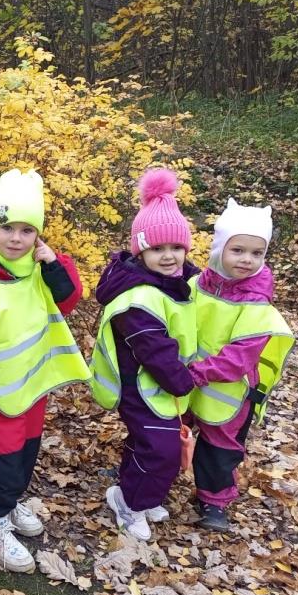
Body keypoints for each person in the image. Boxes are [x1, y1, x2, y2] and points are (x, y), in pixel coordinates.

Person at [0, 169, 89, 571]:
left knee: (25, 455)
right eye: (7, 227)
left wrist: (55, 263)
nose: (16, 238)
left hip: (29, 389)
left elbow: (68, 300)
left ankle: (9, 504)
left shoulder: (35, 267)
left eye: (27, 231)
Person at [90, 168, 199, 542]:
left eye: (176, 248)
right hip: (141, 386)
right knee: (159, 449)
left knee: (152, 445)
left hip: (164, 386)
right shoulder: (137, 298)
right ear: (141, 251)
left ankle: (142, 494)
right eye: (157, 249)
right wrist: (184, 381)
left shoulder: (177, 284)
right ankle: (129, 503)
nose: (169, 256)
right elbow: (154, 348)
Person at [188, 199, 294, 531]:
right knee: (166, 428)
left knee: (219, 447)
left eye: (257, 253)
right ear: (219, 248)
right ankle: (146, 473)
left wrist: (196, 373)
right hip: (185, 380)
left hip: (227, 390)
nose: (247, 259)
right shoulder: (197, 285)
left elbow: (241, 355)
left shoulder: (256, 301)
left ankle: (214, 502)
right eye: (238, 250)